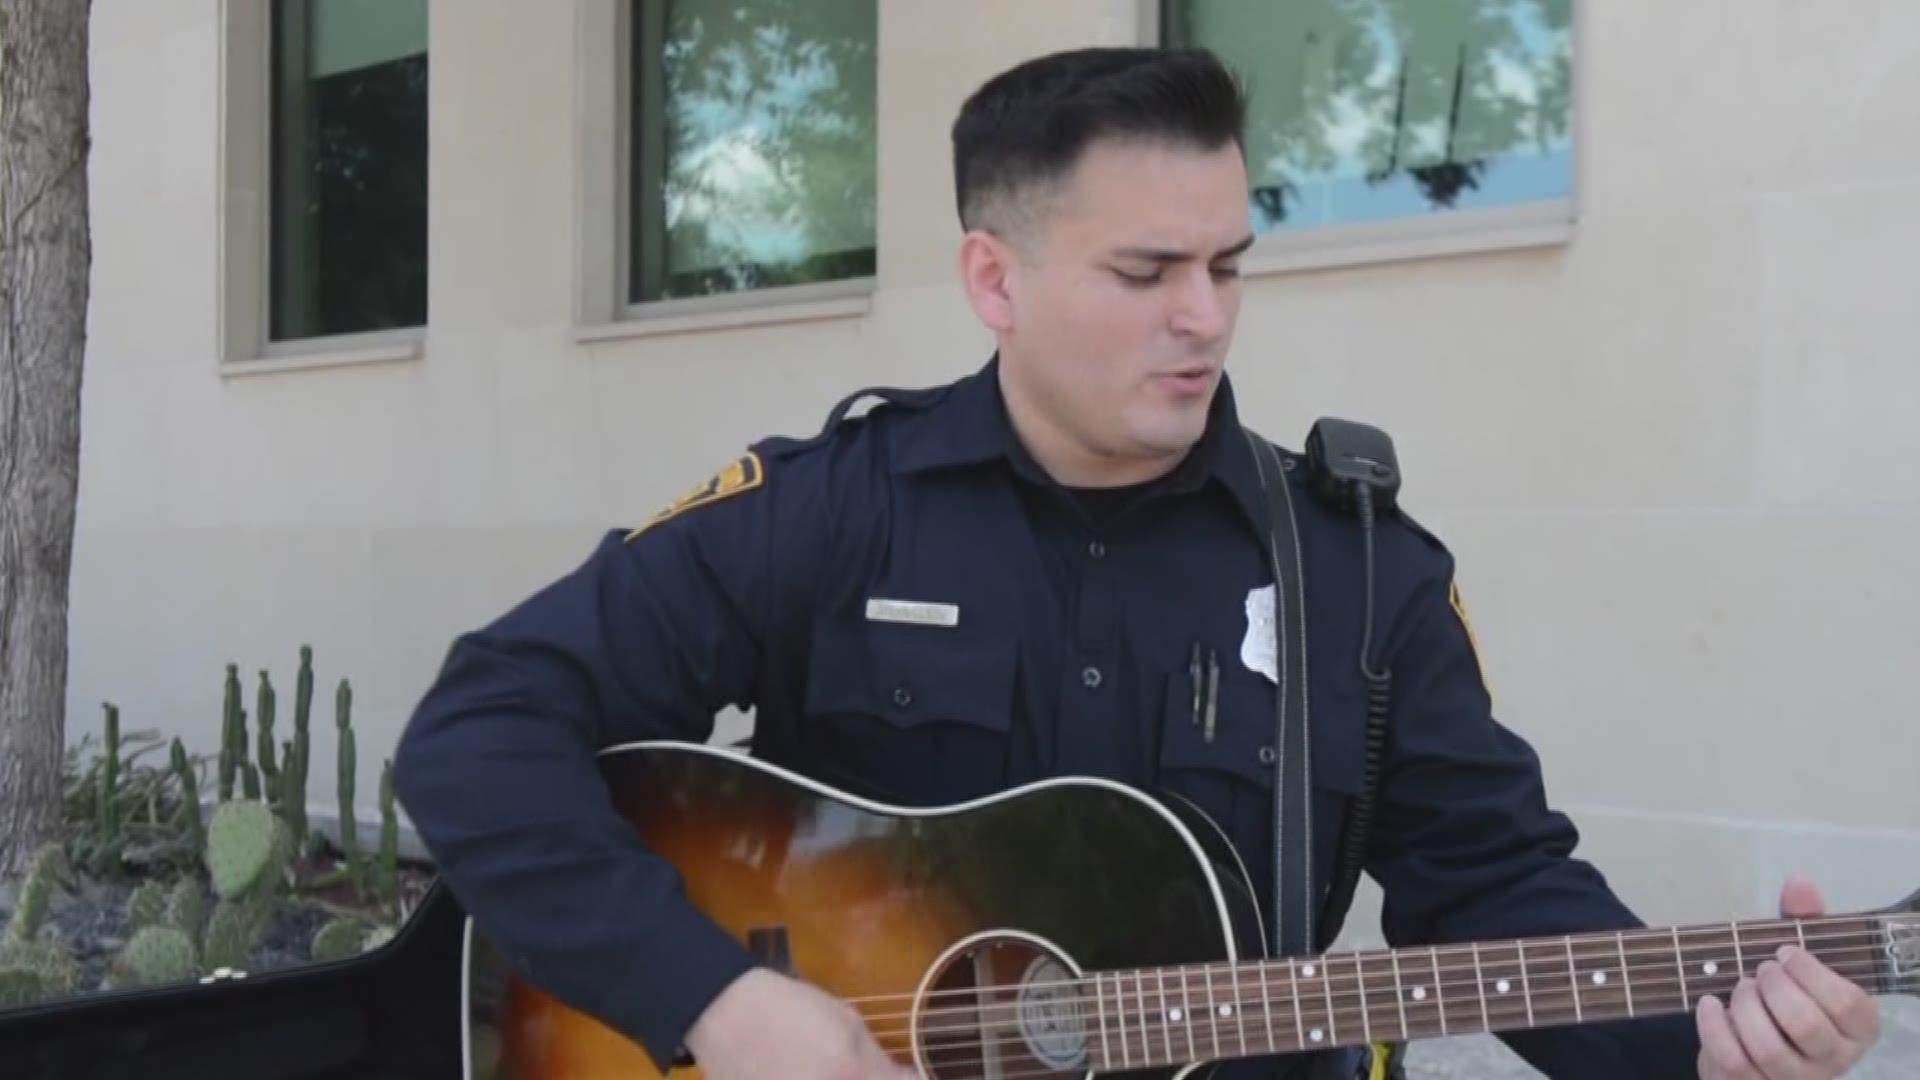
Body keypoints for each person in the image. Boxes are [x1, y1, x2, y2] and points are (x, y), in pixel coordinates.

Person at [392, 46, 1883, 1080]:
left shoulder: (1358, 571)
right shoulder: (834, 509)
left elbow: (1500, 890)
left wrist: (1709, 1040)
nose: (1206, 317)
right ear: (996, 275)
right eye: (1145, 271)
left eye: (1228, 264)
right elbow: (477, 730)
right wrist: (709, 998)